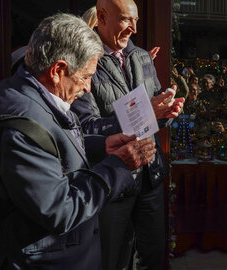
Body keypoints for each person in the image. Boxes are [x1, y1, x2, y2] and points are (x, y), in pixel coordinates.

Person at [0, 13, 156, 269]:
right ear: (58, 70)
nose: (87, 88)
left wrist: (101, 145)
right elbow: (60, 211)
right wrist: (119, 166)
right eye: (85, 77)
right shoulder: (20, 125)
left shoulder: (28, 93)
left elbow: (53, 147)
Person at [71, 0, 184, 269]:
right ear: (101, 17)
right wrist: (147, 112)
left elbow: (154, 115)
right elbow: (86, 128)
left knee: (155, 256)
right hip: (114, 181)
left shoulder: (143, 57)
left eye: (135, 21)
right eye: (125, 20)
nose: (133, 28)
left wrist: (165, 113)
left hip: (150, 175)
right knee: (112, 259)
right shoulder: (85, 62)